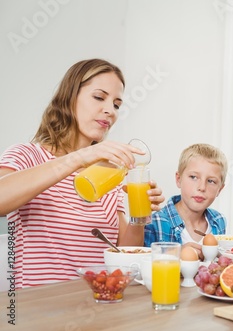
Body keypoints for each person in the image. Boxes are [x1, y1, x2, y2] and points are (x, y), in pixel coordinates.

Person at [0, 59, 165, 288]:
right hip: (37, 311)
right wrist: (78, 158)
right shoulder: (27, 156)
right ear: (69, 97)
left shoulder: (107, 174)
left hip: (97, 304)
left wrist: (140, 214)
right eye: (99, 97)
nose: (110, 111)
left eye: (117, 105)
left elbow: (124, 253)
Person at [144, 143, 228, 260]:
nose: (202, 187)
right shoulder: (155, 222)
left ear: (220, 189)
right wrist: (175, 254)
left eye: (211, 181)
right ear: (178, 179)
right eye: (193, 177)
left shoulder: (219, 221)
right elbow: (141, 264)